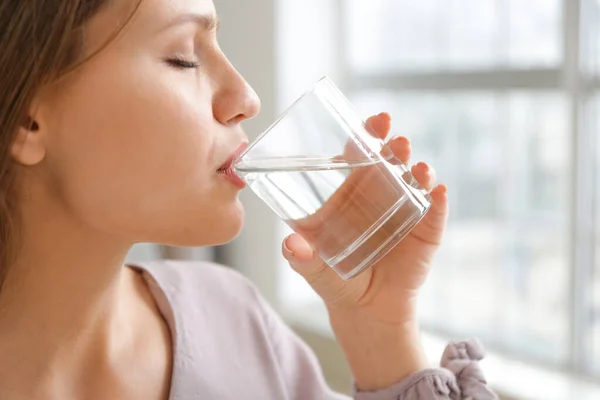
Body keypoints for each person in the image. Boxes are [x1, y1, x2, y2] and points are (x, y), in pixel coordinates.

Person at [0, 0, 498, 399]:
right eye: (183, 57)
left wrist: (381, 333)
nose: (246, 97)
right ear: (27, 120)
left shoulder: (235, 320)